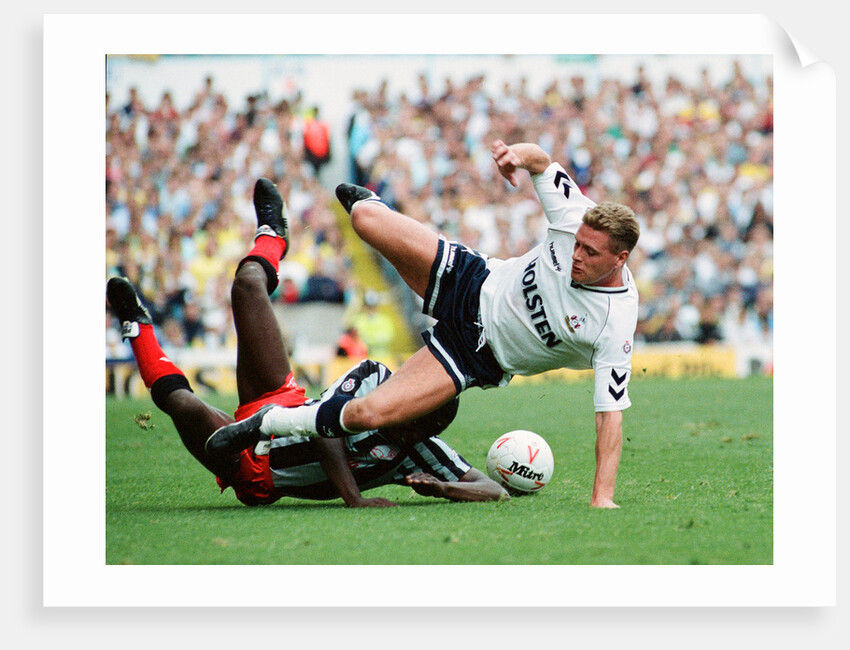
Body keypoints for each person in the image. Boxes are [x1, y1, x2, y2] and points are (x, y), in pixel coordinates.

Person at [211, 141, 640, 508]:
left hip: (472, 355)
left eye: (590, 253)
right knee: (363, 220)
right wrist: (516, 156)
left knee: (365, 413)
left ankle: (266, 424)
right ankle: (368, 204)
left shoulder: (614, 323)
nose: (576, 255)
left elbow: (611, 417)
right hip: (472, 282)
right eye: (577, 244)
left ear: (620, 259)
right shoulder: (574, 213)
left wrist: (602, 496)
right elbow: (541, 161)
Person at [106, 178, 507, 507]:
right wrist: (354, 499)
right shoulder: (374, 378)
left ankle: (138, 328)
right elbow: (324, 430)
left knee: (181, 403)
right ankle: (272, 236)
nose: (412, 435)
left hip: (255, 471)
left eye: (425, 430)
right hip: (285, 404)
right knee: (246, 286)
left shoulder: (421, 451)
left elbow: (492, 490)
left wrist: (444, 487)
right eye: (416, 421)